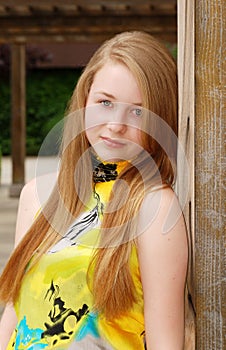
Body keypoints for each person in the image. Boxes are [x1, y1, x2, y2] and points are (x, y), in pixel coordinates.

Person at [0, 31, 188, 349]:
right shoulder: (37, 194)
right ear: (85, 99)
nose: (116, 124)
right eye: (105, 102)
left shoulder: (156, 207)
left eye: (138, 111)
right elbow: (12, 315)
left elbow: (165, 342)